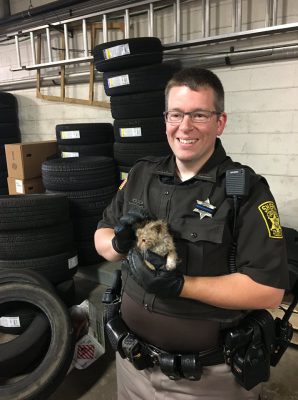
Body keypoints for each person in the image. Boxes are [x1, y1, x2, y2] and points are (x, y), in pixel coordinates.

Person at [94, 67, 289, 400]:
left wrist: (183, 286)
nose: (185, 127)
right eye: (176, 114)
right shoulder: (141, 174)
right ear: (166, 118)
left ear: (220, 122)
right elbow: (101, 235)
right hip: (131, 365)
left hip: (206, 380)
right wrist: (116, 243)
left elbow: (268, 290)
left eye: (199, 114)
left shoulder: (245, 191)